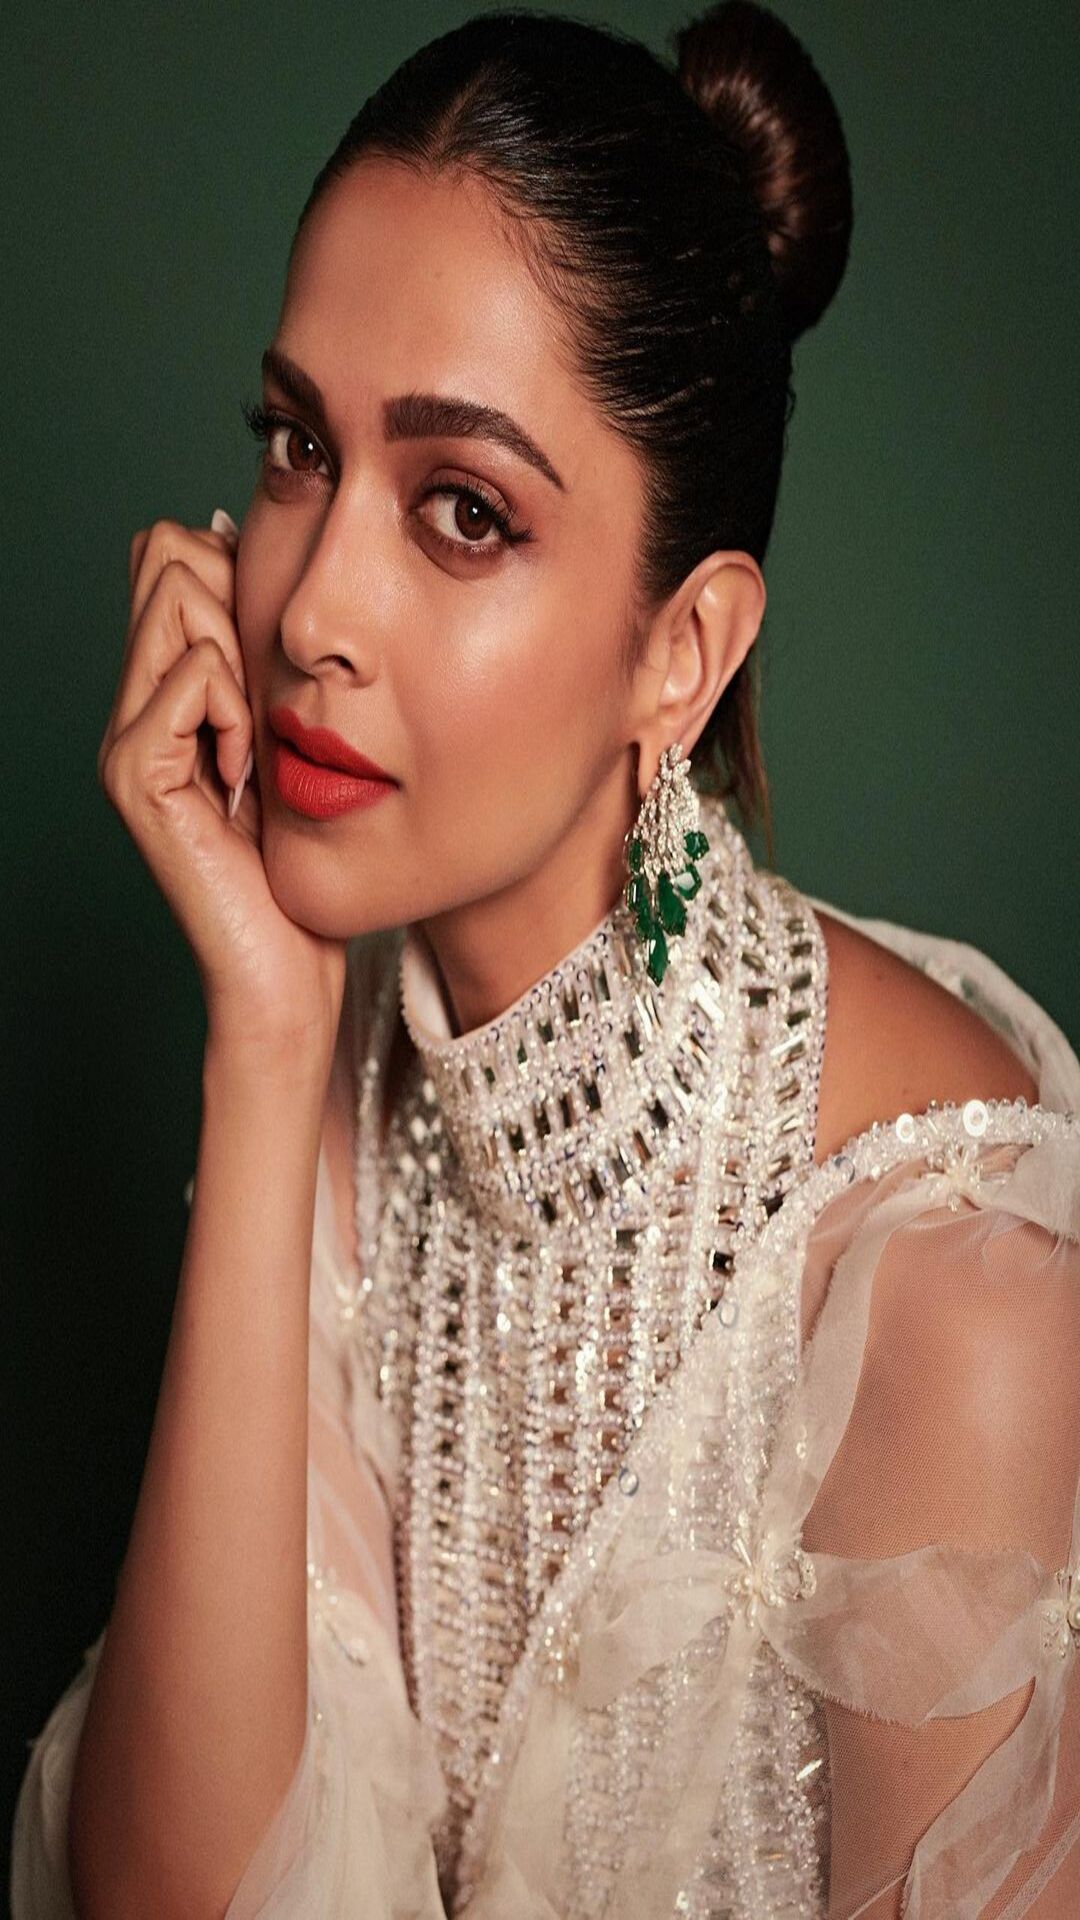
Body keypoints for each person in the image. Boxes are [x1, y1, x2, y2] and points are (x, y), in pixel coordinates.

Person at [11, 4, 1079, 1915]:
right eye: (298, 447)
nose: (310, 611)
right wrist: (265, 1043)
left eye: (464, 511)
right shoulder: (348, 1065)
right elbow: (168, 1896)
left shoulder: (951, 1288)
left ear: (683, 653)